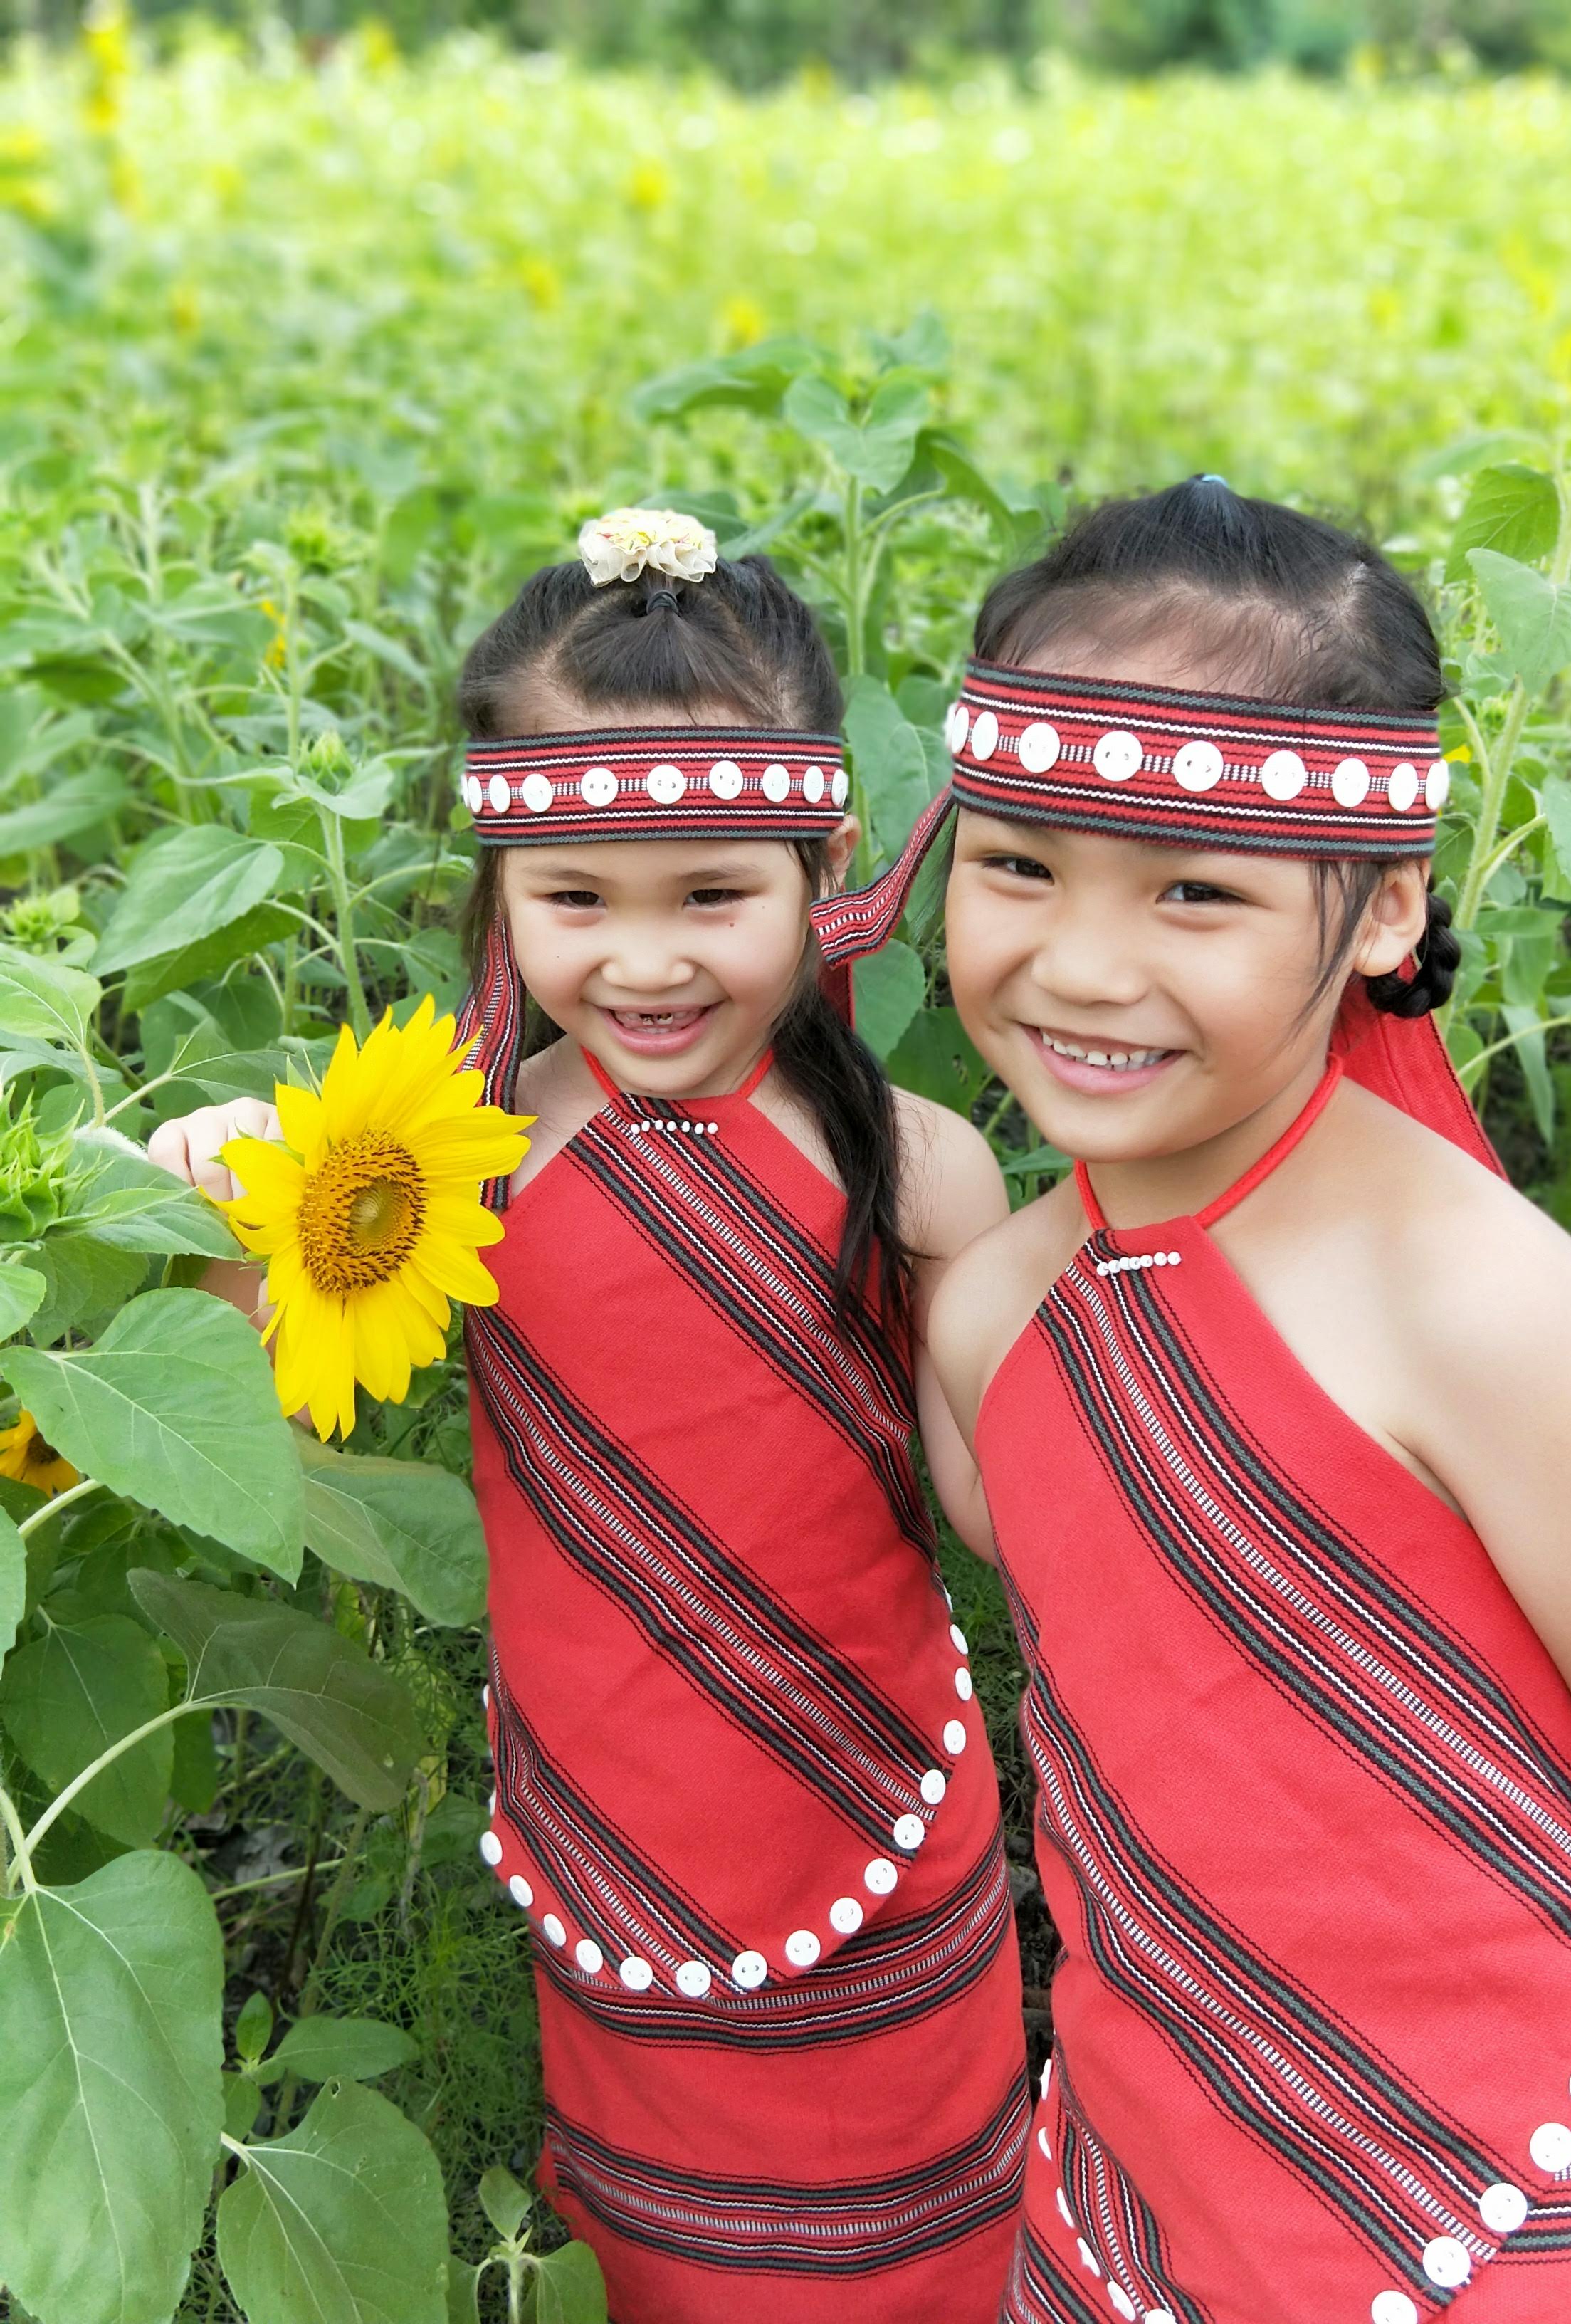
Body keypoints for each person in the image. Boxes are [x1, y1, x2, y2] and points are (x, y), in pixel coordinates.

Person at [151, 511, 1029, 2324]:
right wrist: (205, 1208)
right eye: (579, 903)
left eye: (713, 896)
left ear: (828, 870)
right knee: (672, 2256)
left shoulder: (917, 1162)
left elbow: (1005, 1508)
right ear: (500, 893)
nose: (647, 963)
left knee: (917, 2250)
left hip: (869, 1812)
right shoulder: (445, 1173)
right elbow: (247, 1371)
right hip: (619, 1830)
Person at [920, 483, 1571, 2324]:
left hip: (1521, 2234)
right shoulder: (993, 1314)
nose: (1080, 964)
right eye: (1020, 866)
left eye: (1194, 892)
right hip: (1130, 2230)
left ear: (1380, 910)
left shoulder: (1484, 1312)